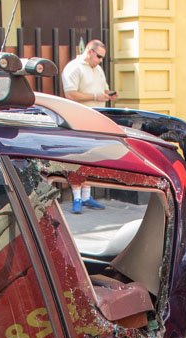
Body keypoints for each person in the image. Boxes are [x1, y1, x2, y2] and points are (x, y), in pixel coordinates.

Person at [61, 40, 116, 213]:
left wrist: (108, 95)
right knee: (79, 158)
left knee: (92, 157)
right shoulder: (74, 67)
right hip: (79, 119)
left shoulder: (98, 69)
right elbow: (70, 94)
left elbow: (102, 92)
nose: (100, 60)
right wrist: (95, 96)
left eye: (102, 57)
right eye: (99, 56)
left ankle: (86, 196)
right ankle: (77, 198)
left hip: (96, 119)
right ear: (89, 52)